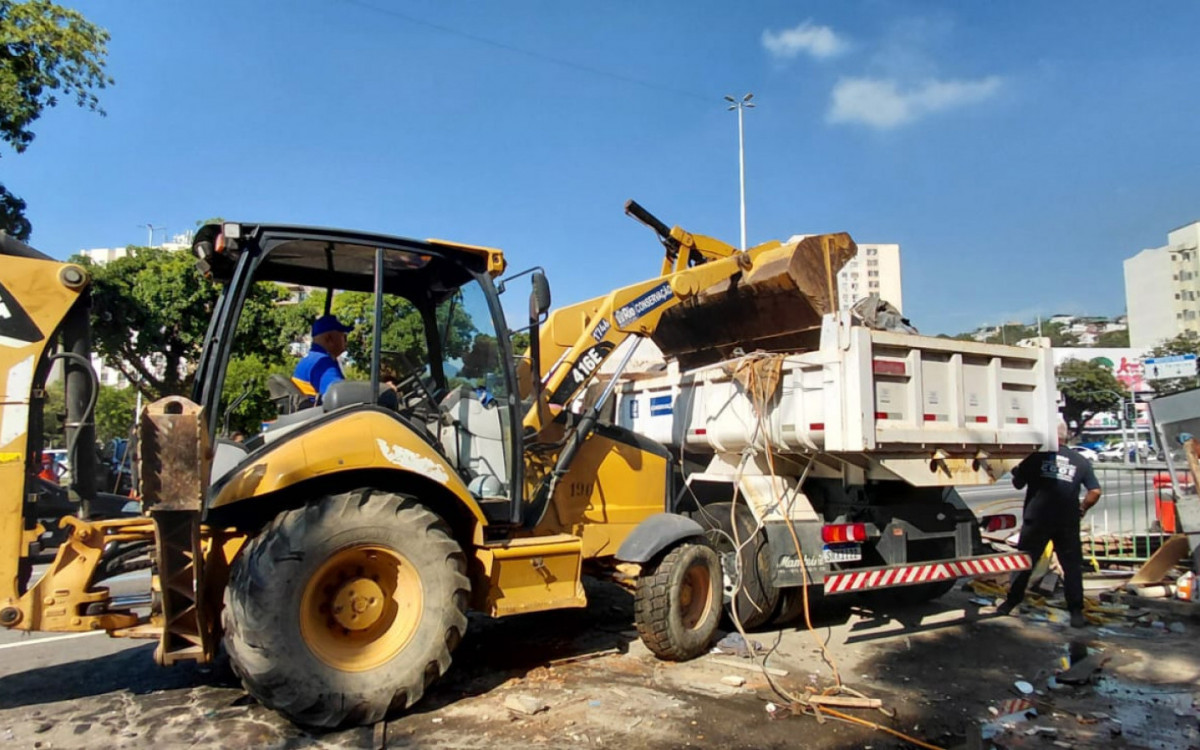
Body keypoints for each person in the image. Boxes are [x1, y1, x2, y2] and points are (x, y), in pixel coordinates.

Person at [997, 422, 1102, 628]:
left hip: (1037, 519)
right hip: (1067, 521)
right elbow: (1095, 491)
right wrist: (1082, 508)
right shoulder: (1080, 461)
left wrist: (1018, 467)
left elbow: (1018, 483)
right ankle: (1076, 613)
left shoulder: (1036, 458)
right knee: (1071, 566)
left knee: (1025, 562)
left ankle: (1011, 603)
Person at [294, 314, 353, 397]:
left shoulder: (310, 359)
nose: (346, 342)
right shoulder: (323, 364)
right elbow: (339, 396)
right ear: (329, 338)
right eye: (344, 336)